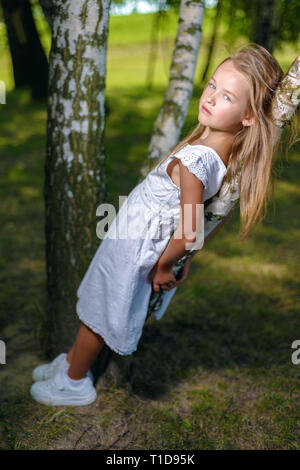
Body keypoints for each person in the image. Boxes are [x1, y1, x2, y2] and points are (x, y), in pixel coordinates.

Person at [30, 43, 289, 406]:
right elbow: (208, 218)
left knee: (99, 313)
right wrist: (186, 260)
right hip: (133, 240)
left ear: (248, 117)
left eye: (227, 96)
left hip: (137, 249)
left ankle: (74, 381)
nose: (211, 98)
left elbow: (189, 229)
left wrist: (166, 266)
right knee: (98, 301)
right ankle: (72, 361)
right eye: (212, 85)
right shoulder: (219, 152)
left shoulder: (198, 159)